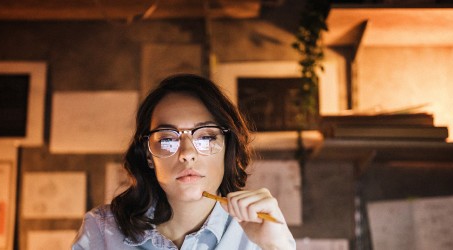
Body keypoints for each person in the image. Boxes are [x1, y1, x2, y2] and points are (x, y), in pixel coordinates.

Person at [72, 74, 295, 249]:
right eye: (168, 139)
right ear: (149, 156)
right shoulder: (101, 231)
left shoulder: (257, 234)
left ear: (228, 148)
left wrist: (277, 247)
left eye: (206, 137)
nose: (187, 153)